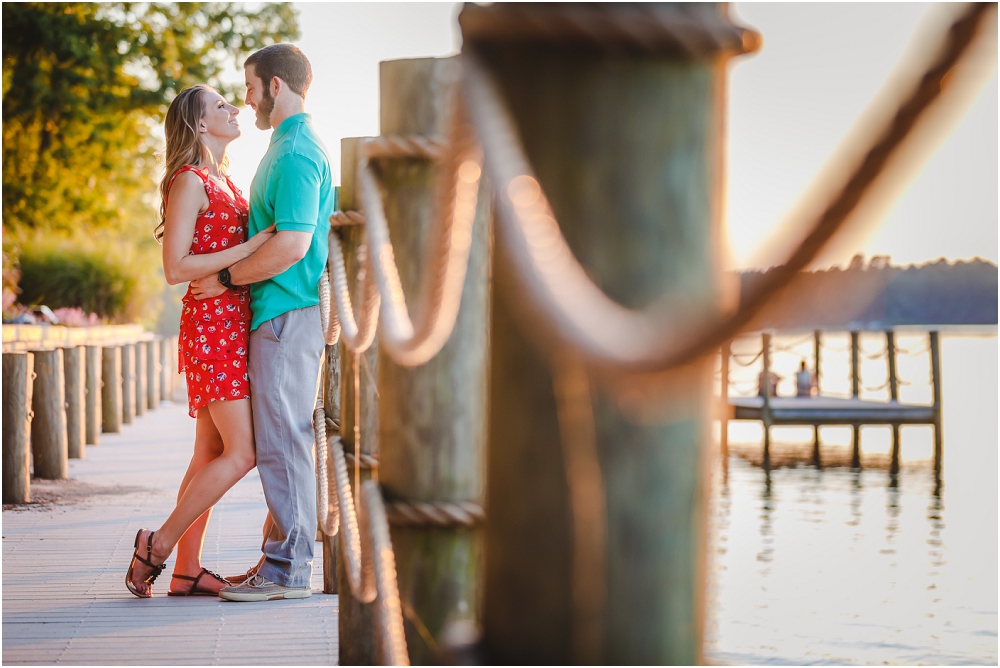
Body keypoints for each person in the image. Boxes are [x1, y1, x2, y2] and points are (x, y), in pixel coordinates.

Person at [189, 43, 333, 602]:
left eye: (249, 87)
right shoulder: (286, 148)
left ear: (276, 86)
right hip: (277, 316)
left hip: (286, 314)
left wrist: (226, 281)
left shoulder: (296, 153)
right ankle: (278, 562)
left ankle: (286, 572)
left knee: (283, 442)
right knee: (279, 438)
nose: (245, 99)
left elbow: (294, 244)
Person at [125, 84, 276, 598]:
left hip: (232, 320)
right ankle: (159, 544)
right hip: (212, 324)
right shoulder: (190, 181)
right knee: (242, 452)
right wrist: (251, 249)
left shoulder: (224, 180)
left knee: (209, 450)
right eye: (221, 106)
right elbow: (175, 268)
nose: (235, 109)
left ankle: (187, 572)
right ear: (199, 124)